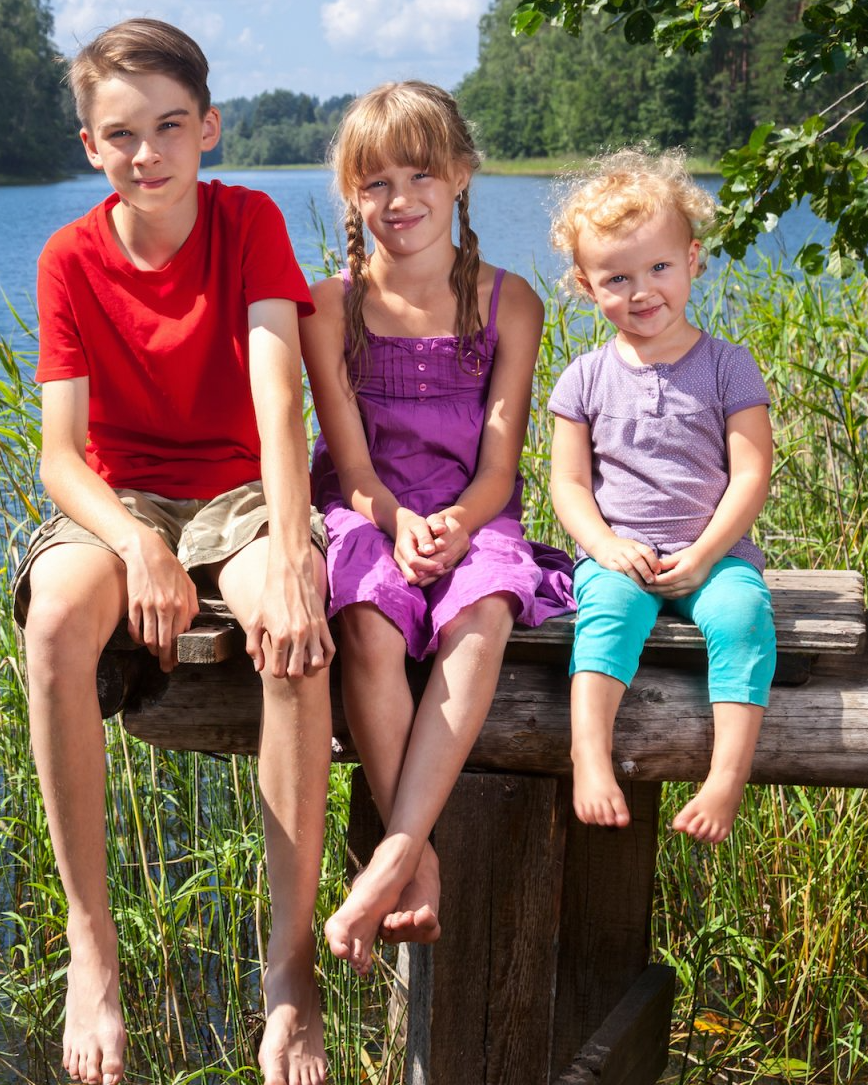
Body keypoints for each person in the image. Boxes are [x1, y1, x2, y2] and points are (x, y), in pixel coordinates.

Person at [15, 17, 334, 1085]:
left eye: (167, 127)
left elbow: (278, 397)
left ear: (209, 129)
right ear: (88, 145)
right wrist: (134, 545)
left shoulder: (248, 221)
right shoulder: (71, 257)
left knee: (295, 637)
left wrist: (293, 552)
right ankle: (91, 947)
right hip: (123, 498)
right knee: (56, 615)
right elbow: (62, 457)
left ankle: (291, 970)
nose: (145, 153)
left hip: (241, 492)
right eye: (119, 135)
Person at [299, 81, 573, 976]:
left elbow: (499, 469)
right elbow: (353, 466)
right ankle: (417, 863)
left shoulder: (510, 302)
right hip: (368, 505)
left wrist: (453, 523)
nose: (399, 200)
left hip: (473, 509)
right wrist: (399, 520)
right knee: (371, 621)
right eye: (374, 182)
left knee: (485, 608)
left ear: (460, 175)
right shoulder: (328, 306)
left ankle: (390, 854)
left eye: (420, 174)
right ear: (351, 194)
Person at [547, 148, 776, 844]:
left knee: (742, 616)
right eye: (617, 277)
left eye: (658, 269)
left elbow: (751, 472)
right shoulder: (583, 378)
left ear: (694, 260)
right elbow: (569, 483)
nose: (642, 290)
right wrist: (606, 547)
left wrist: (707, 555)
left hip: (717, 553)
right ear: (587, 285)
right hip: (622, 556)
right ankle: (589, 755)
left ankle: (725, 777)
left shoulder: (727, 364)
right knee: (606, 617)